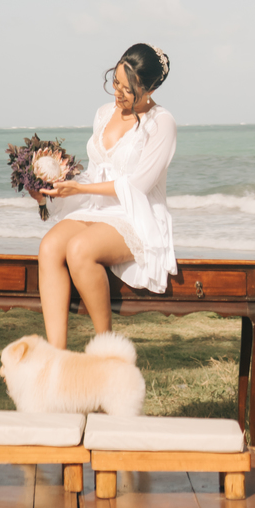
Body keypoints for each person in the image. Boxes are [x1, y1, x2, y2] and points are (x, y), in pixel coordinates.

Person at [36, 42, 176, 349]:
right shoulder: (103, 114)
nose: (117, 93)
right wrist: (55, 186)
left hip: (136, 214)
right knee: (49, 247)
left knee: (80, 249)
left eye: (128, 90)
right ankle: (56, 358)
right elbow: (95, 172)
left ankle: (107, 351)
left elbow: (137, 186)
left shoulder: (161, 122)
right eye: (115, 82)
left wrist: (81, 188)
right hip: (97, 209)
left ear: (150, 88)